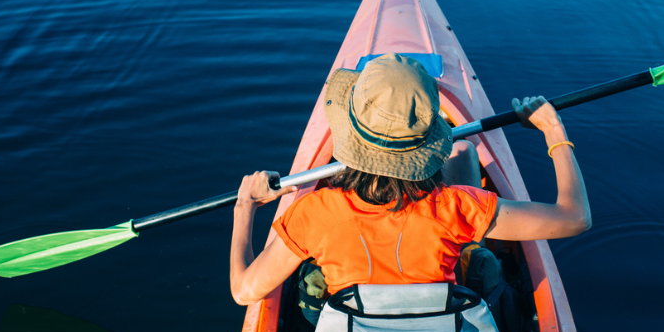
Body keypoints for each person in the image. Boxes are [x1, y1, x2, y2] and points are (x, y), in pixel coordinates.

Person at [229, 53, 590, 309]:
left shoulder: (313, 213)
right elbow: (574, 218)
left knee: (309, 276)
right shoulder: (460, 206)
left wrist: (245, 206)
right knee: (464, 153)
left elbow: (244, 291)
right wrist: (552, 129)